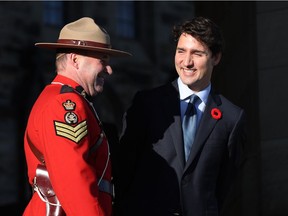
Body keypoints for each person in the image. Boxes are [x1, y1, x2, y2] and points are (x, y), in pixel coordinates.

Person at [113, 17, 246, 216]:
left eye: (197, 53)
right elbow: (123, 171)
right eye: (181, 51)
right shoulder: (147, 104)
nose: (187, 62)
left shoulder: (231, 118)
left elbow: (224, 184)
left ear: (216, 57)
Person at [23, 17, 131, 216]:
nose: (109, 69)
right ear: (75, 60)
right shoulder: (64, 106)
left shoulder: (65, 99)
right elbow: (74, 181)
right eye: (102, 60)